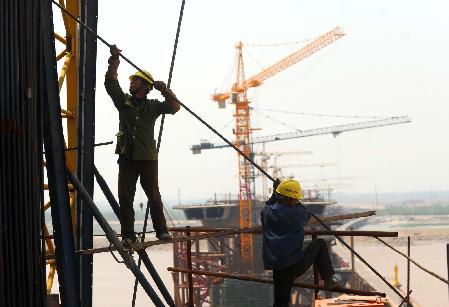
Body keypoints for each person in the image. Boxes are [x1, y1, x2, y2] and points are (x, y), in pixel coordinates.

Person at [105, 45, 180, 244]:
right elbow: (111, 84)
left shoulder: (154, 106)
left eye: (135, 80)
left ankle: (161, 230)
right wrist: (114, 61)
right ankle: (128, 235)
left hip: (147, 158)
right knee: (126, 198)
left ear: (145, 86)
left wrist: (165, 89)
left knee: (154, 196)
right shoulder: (124, 103)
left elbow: (174, 107)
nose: (131, 83)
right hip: (127, 157)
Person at [261, 178, 343, 307]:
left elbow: (269, 203)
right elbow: (306, 213)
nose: (297, 201)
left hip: (277, 266)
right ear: (289, 199)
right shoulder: (296, 214)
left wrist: (275, 192)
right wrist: (291, 199)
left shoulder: (267, 212)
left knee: (280, 301)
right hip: (294, 265)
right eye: (295, 198)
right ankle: (328, 280)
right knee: (320, 243)